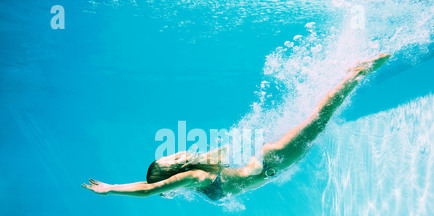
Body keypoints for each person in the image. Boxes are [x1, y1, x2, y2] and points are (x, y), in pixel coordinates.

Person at [82, 53, 391, 201]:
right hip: (268, 161)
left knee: (319, 120)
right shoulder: (195, 180)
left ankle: (356, 73)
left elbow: (151, 189)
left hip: (273, 162)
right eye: (170, 161)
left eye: (171, 159)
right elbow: (159, 190)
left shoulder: (195, 177)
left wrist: (112, 188)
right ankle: (352, 74)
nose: (176, 156)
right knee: (316, 120)